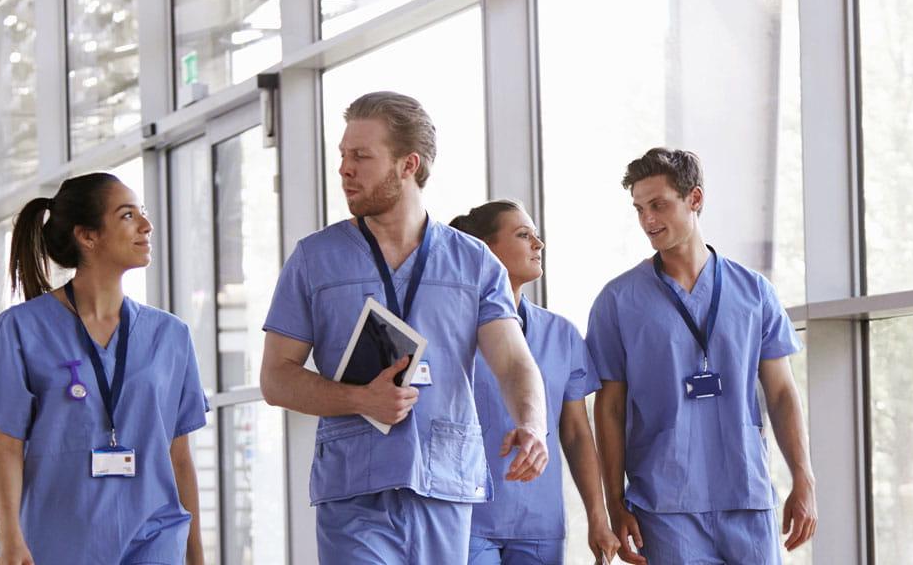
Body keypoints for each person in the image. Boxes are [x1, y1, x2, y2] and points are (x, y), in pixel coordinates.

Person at [259, 91, 548, 565]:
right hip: (355, 489)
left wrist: (532, 424)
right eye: (343, 156)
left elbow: (514, 360)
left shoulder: (475, 263)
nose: (344, 169)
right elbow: (276, 377)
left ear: (407, 165)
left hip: (445, 482)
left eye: (361, 157)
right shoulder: (315, 260)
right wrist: (358, 399)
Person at [588, 148, 817, 565]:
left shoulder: (755, 293)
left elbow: (782, 392)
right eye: (639, 209)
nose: (648, 220)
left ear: (695, 199)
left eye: (659, 205)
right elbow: (610, 407)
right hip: (664, 506)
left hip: (747, 495)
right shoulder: (618, 301)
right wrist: (613, 501)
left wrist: (804, 476)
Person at [0, 172, 208, 564]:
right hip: (62, 540)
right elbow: (8, 446)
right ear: (88, 236)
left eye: (144, 213)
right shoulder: (21, 330)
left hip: (155, 536)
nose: (146, 225)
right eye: (127, 215)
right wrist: (11, 539)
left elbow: (180, 456)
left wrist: (196, 556)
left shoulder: (171, 335)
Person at [452, 201, 622, 564]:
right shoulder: (451, 331)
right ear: (485, 248)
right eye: (523, 235)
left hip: (539, 525)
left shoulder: (561, 334)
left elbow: (576, 433)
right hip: (465, 518)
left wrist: (598, 517)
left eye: (537, 236)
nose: (538, 245)